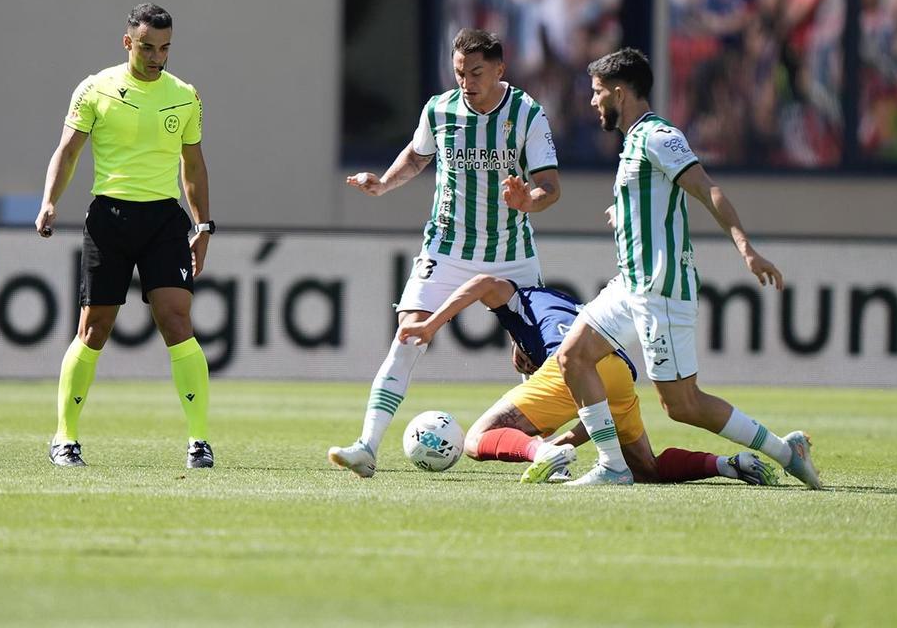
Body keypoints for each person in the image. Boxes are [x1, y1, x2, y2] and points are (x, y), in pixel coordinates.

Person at [537, 47, 820, 487]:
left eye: (596, 93)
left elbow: (708, 190)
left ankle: (787, 450)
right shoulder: (632, 141)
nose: (592, 101)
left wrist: (746, 248)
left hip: (660, 288)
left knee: (682, 404)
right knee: (573, 356)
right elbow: (651, 200)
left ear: (618, 92)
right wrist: (624, 212)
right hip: (630, 284)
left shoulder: (658, 135)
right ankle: (613, 466)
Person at [328, 28, 561, 477]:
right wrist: (383, 183)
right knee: (409, 333)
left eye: (475, 72)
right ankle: (367, 446)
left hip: (510, 251)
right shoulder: (440, 109)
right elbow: (417, 156)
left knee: (534, 358)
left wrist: (528, 200)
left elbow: (550, 186)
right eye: (458, 73)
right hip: (448, 246)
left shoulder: (527, 113)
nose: (466, 81)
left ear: (499, 69)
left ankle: (549, 452)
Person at [36, 3, 215, 470]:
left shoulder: (184, 96)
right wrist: (50, 200)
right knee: (93, 329)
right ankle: (65, 437)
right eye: (148, 47)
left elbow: (192, 166)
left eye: (165, 48)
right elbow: (68, 151)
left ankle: (199, 440)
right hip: (109, 218)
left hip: (164, 221)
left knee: (178, 322)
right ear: (128, 43)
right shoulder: (95, 89)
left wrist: (204, 225)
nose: (158, 57)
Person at [398, 276, 778, 486]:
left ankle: (542, 456)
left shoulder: (521, 298)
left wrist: (431, 324)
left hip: (574, 362)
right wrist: (563, 440)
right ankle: (729, 464)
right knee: (646, 469)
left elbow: (482, 284)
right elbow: (596, 417)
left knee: (477, 439)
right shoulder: (562, 306)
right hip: (617, 370)